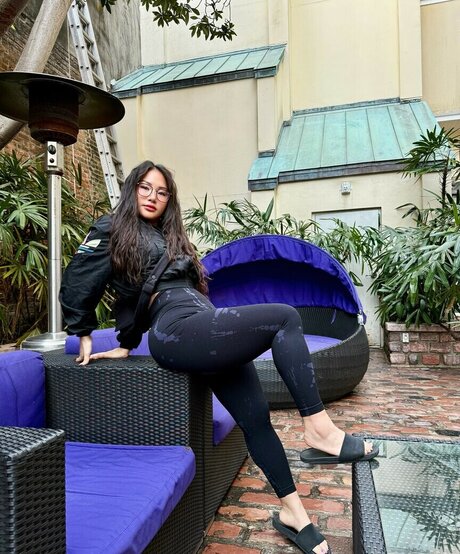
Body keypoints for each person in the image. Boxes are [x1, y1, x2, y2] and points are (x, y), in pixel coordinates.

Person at [60, 160, 378, 554]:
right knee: (285, 318)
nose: (153, 197)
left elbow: (143, 297)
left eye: (162, 192)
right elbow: (79, 279)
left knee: (257, 419)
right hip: (175, 329)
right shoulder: (111, 228)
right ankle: (320, 430)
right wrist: (83, 331)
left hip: (203, 325)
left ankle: (294, 515)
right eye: (145, 187)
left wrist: (127, 339)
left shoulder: (170, 236)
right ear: (131, 189)